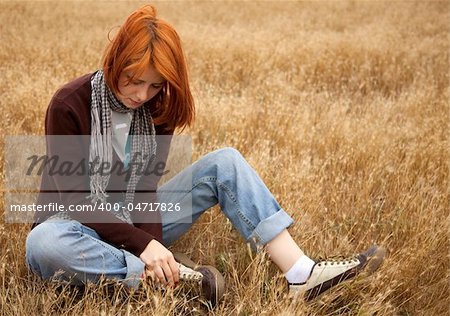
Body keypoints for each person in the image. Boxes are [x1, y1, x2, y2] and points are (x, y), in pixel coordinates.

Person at [25, 4, 385, 305]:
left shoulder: (157, 108)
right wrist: (143, 245)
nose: (141, 94)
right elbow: (74, 198)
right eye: (133, 79)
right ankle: (168, 282)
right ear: (116, 60)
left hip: (132, 218)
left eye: (154, 85)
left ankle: (300, 273)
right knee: (43, 244)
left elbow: (146, 186)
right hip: (74, 224)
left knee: (224, 161)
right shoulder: (69, 104)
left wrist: (153, 242)